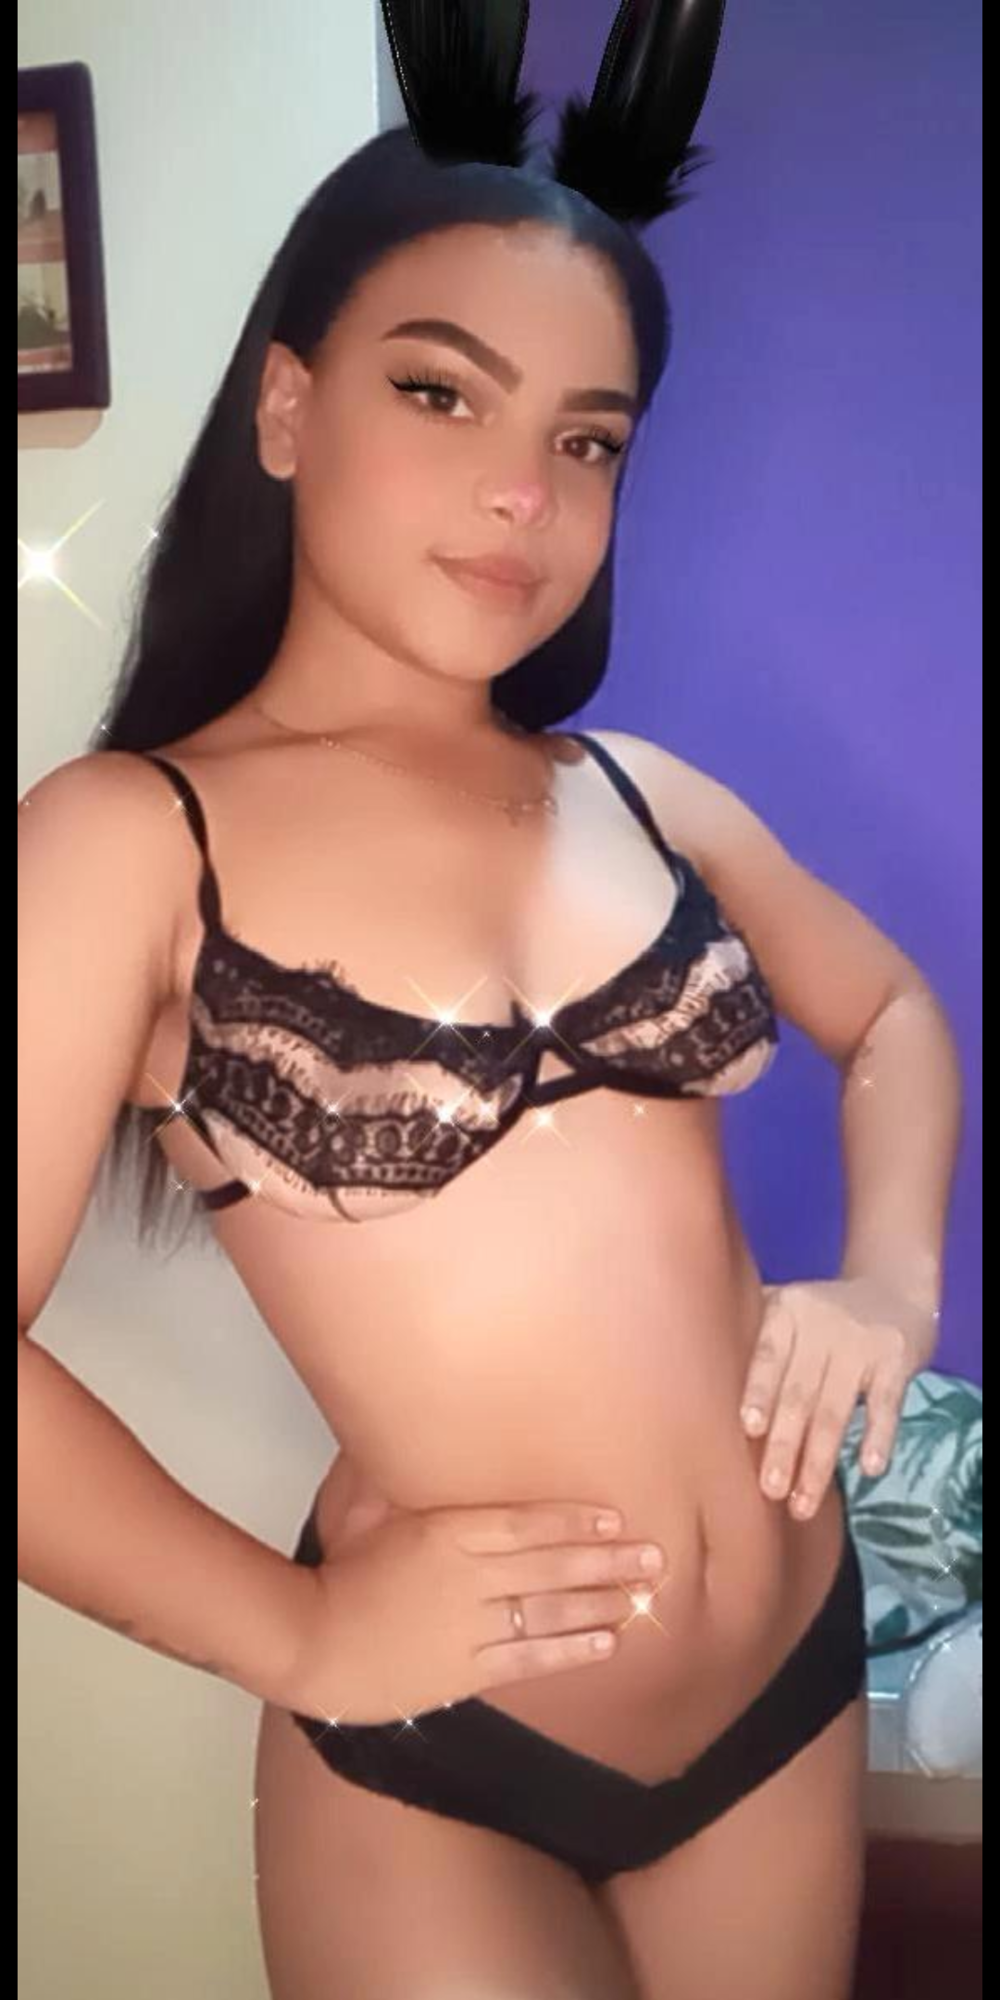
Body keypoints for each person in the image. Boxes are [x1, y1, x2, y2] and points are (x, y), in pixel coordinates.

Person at [18, 5, 963, 1994]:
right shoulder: (132, 842)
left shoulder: (639, 792)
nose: (521, 493)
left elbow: (885, 1013)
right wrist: (297, 1635)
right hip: (448, 1757)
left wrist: (887, 1281)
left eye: (585, 438)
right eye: (440, 394)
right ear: (287, 407)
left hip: (785, 1683)